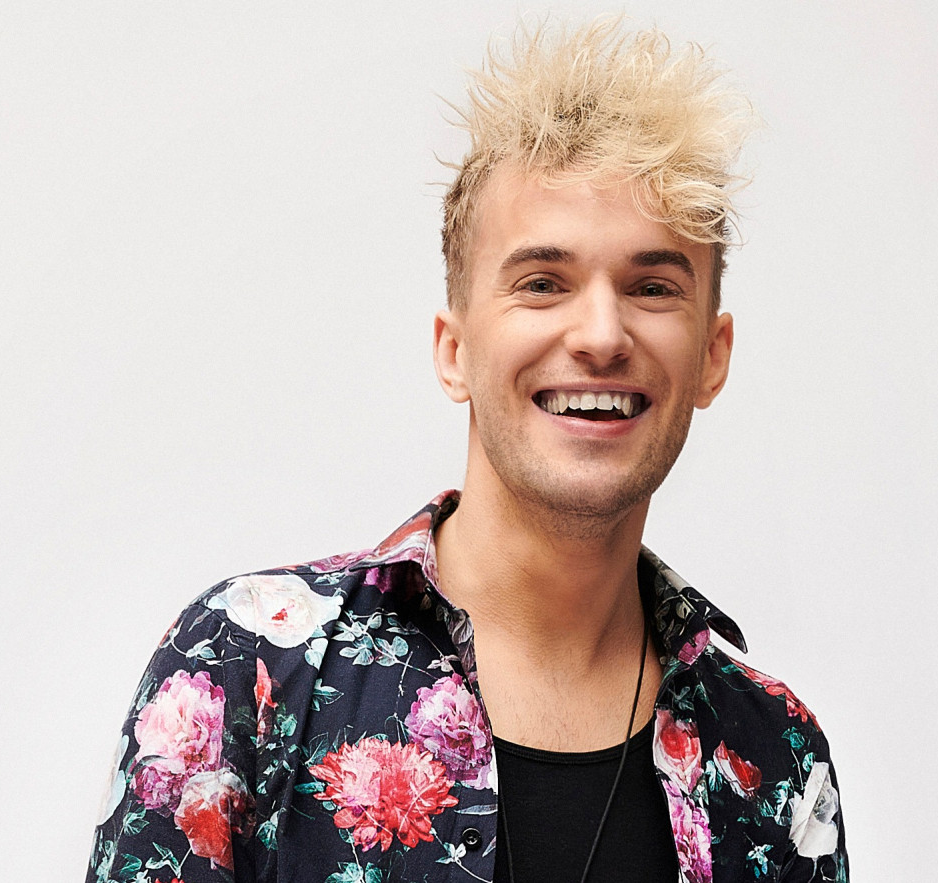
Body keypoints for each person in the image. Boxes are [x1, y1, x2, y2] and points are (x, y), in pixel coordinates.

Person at [87, 19, 848, 883]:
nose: (602, 334)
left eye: (652, 286)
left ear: (712, 356)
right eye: (542, 283)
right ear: (454, 350)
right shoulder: (240, 670)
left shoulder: (775, 757)